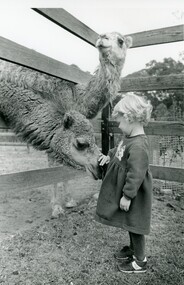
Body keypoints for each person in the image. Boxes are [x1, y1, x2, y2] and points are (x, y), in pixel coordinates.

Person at [95, 93, 153, 273]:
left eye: (120, 121)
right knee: (129, 221)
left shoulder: (138, 146)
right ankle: (133, 250)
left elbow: (136, 174)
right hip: (129, 192)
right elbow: (118, 150)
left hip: (134, 194)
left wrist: (127, 196)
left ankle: (140, 261)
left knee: (136, 225)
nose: (119, 126)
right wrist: (108, 156)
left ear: (130, 118)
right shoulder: (129, 138)